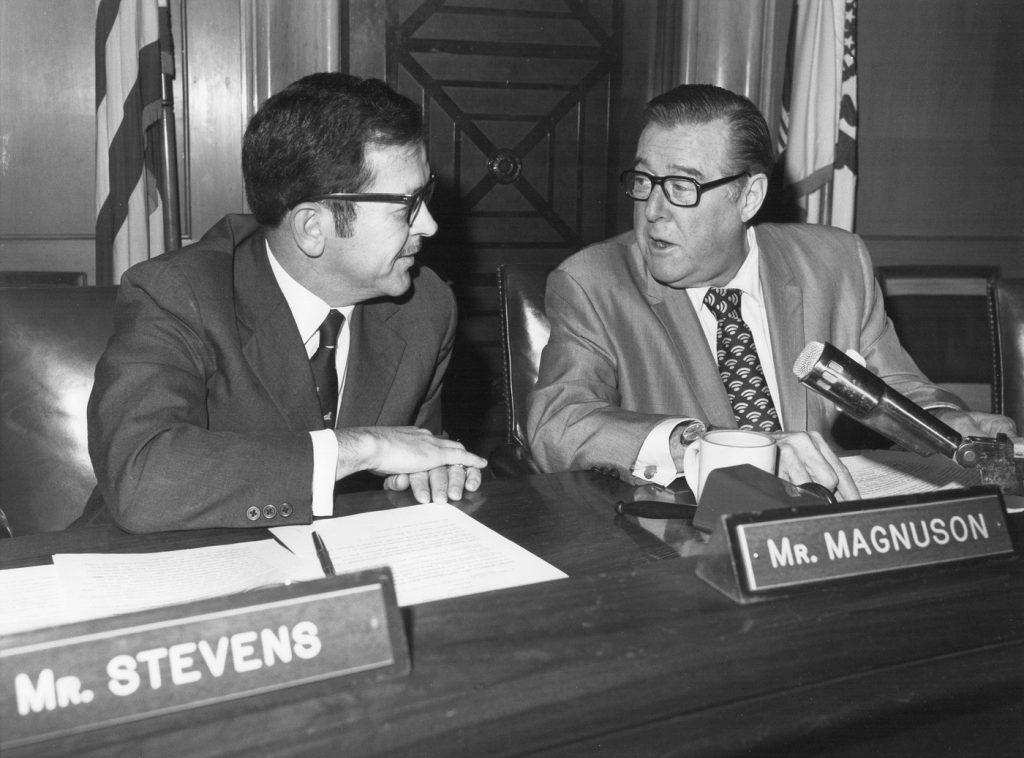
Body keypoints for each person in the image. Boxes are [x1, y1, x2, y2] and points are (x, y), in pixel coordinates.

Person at [526, 83, 1014, 500]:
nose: (653, 210)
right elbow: (558, 424)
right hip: (691, 545)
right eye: (644, 181)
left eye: (681, 186)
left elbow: (898, 389)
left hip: (832, 523)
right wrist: (710, 447)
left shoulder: (839, 264)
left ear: (750, 197)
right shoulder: (593, 282)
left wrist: (950, 424)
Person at [78, 72, 487, 532]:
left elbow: (412, 451)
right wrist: (361, 447)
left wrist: (433, 469)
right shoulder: (177, 294)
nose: (429, 225)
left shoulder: (426, 307)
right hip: (156, 570)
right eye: (407, 206)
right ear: (313, 227)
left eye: (425, 195)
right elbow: (144, 480)